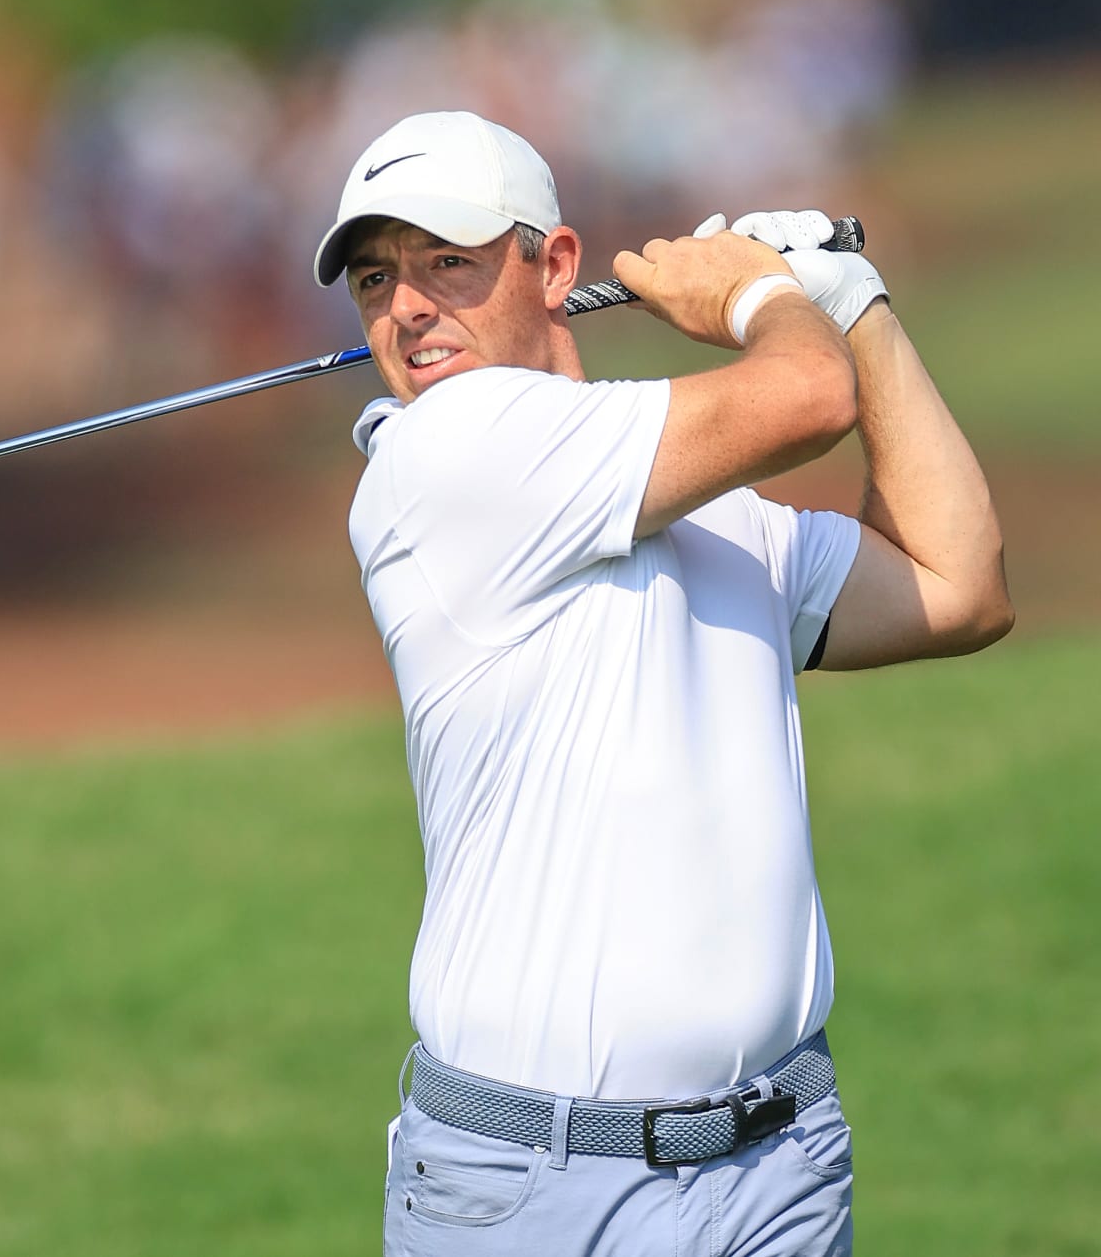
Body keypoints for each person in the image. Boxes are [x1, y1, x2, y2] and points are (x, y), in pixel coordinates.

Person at [312, 110, 1013, 1256]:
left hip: (778, 1165)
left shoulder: (711, 512)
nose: (407, 306)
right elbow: (802, 399)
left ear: (558, 267)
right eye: (376, 277)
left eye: (450, 260)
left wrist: (856, 307)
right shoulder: (442, 459)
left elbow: (960, 582)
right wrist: (763, 298)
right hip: (535, 1191)